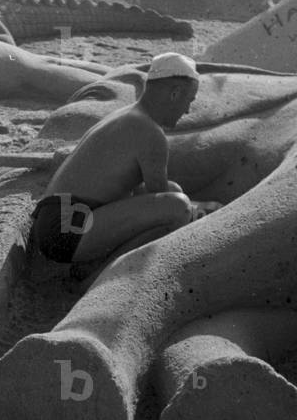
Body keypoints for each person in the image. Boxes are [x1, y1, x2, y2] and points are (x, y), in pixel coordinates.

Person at [30, 53, 221, 265]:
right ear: (175, 94)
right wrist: (207, 210)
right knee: (178, 206)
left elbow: (145, 192)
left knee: (174, 192)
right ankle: (100, 275)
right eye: (189, 101)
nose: (187, 110)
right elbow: (163, 199)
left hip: (54, 223)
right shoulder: (149, 132)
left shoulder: (126, 116)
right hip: (65, 230)